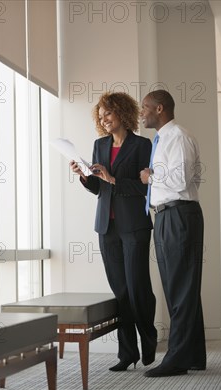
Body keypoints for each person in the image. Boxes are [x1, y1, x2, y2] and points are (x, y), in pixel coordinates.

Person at [70, 92, 157, 372]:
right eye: (101, 115)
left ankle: (149, 338)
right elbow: (100, 189)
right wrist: (85, 177)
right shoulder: (99, 145)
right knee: (120, 290)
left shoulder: (142, 145)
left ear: (121, 112)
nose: (104, 119)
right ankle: (127, 352)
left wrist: (113, 178)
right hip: (107, 227)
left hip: (134, 226)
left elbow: (146, 187)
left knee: (137, 287)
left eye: (108, 113)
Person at [139, 89, 206, 377]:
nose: (142, 113)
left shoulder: (177, 136)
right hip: (169, 216)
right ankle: (193, 355)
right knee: (181, 287)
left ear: (160, 108)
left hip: (178, 214)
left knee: (180, 288)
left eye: (145, 108)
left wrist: (150, 177)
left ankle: (177, 360)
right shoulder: (164, 139)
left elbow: (182, 179)